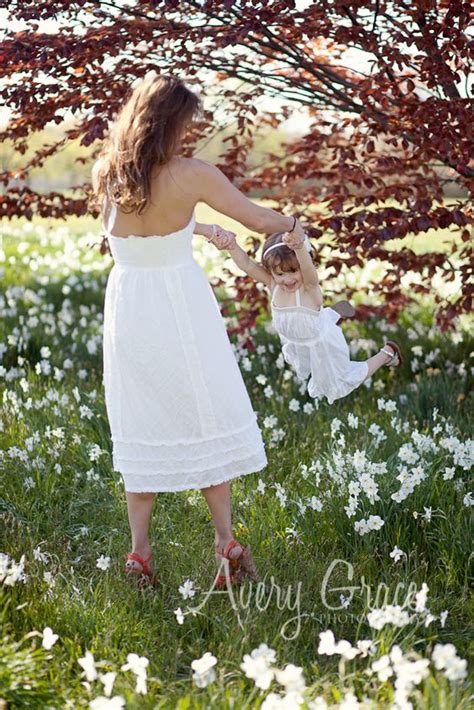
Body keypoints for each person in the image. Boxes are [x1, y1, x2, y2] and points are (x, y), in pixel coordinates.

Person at [88, 73, 309, 589]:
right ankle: (225, 544)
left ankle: (140, 555)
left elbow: (134, 238)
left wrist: (198, 228)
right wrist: (294, 228)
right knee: (203, 414)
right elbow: (257, 219)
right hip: (178, 306)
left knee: (138, 422)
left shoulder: (108, 173)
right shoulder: (192, 174)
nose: (189, 132)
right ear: (170, 123)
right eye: (186, 122)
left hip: (130, 307)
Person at [211, 227, 403, 405]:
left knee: (339, 383)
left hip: (321, 342)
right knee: (304, 368)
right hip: (295, 340)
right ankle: (331, 313)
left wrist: (299, 246)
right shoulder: (274, 285)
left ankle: (387, 353)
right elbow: (246, 264)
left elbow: (308, 269)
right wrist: (232, 246)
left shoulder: (309, 288)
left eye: (293, 271)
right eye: (280, 273)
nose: (287, 279)